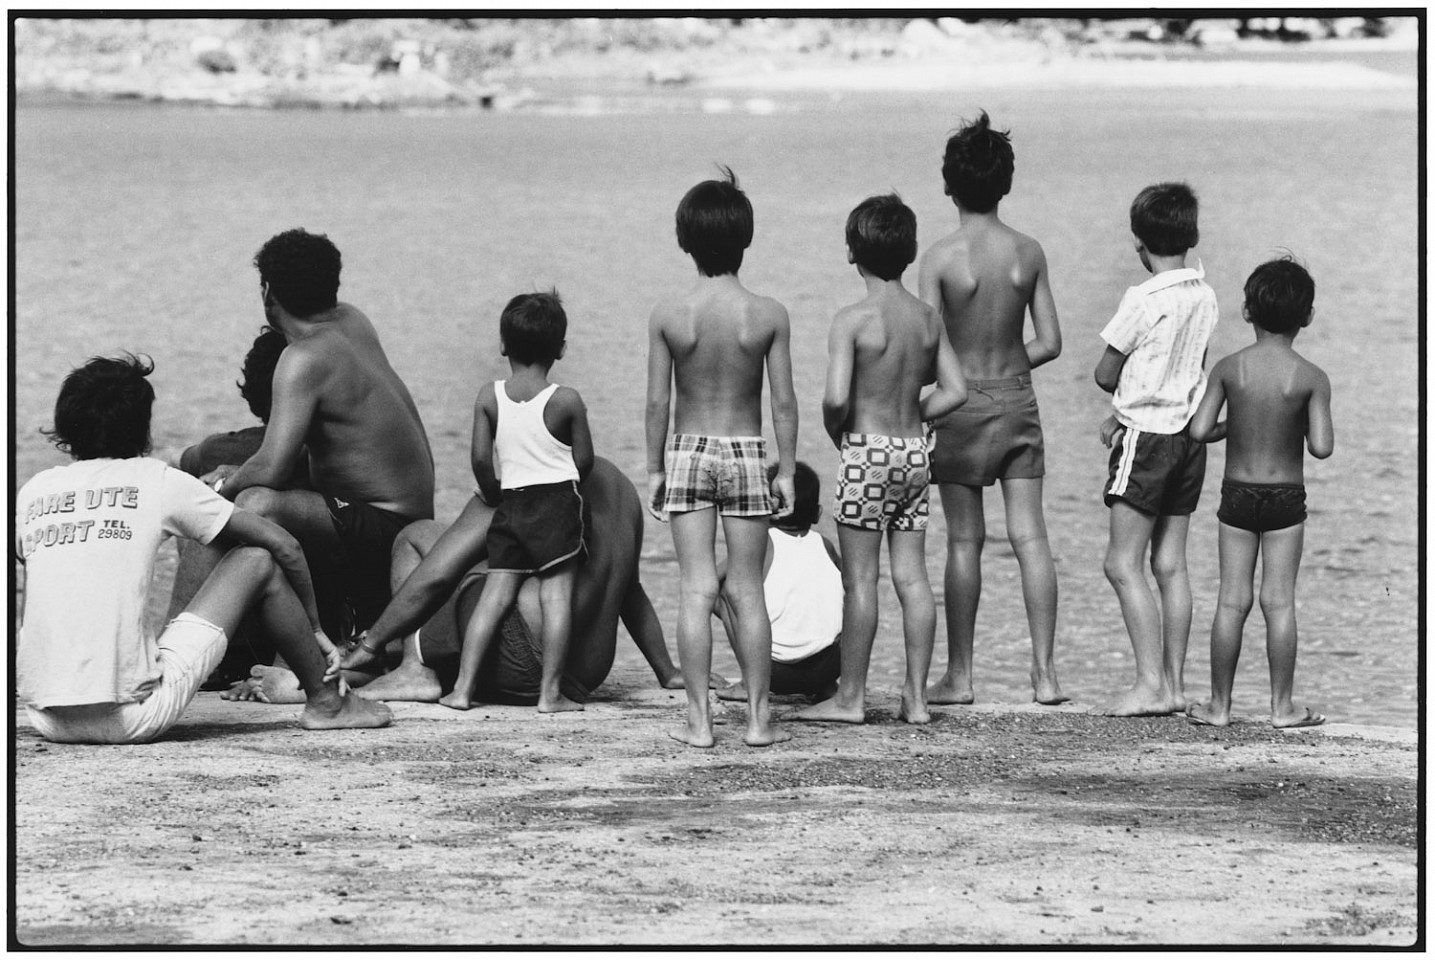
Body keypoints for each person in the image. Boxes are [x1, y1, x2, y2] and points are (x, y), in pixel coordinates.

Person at [15, 354, 391, 744]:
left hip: (46, 715)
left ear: (65, 426)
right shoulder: (156, 480)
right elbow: (285, 545)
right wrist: (315, 628)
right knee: (258, 560)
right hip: (130, 715)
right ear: (142, 428)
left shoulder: (35, 492)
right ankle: (328, 703)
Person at [203, 228, 435, 652]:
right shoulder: (352, 320)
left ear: (268, 291)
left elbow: (271, 467)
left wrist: (218, 488)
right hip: (406, 513)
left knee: (252, 504)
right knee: (250, 490)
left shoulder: (303, 359)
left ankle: (286, 651)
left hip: (384, 524)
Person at [794, 194, 967, 726]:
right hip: (914, 451)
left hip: (866, 453)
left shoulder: (852, 320)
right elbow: (956, 391)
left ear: (852, 252)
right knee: (912, 577)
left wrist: (838, 434)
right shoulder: (926, 318)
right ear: (911, 252)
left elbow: (834, 399)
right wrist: (914, 411)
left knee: (861, 581)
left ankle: (851, 698)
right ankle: (915, 698)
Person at [918, 111, 1067, 708]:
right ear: (1006, 184)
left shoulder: (939, 258)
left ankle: (960, 676)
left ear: (948, 186)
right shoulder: (1027, 252)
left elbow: (928, 350)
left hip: (959, 407)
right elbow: (1051, 342)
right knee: (1031, 538)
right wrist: (1008, 365)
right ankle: (1046, 674)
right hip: (1016, 398)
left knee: (963, 542)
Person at [646, 167, 798, 748]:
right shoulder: (767, 314)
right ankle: (759, 720)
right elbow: (783, 402)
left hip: (688, 449)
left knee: (696, 589)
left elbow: (658, 400)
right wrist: (786, 468)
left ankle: (699, 721)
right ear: (746, 238)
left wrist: (656, 468)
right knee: (748, 591)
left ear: (685, 241)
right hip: (745, 448)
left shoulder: (668, 314)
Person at [337, 457, 691, 704]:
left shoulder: (526, 473)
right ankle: (407, 656)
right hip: (584, 676)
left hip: (522, 659)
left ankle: (415, 666)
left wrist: (373, 643)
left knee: (420, 540)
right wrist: (668, 670)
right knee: (472, 548)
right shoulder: (621, 486)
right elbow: (630, 590)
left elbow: (437, 574)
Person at [1186, 257, 1333, 728]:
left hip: (1237, 496)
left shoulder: (1231, 368)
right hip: (1286, 499)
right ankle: (1282, 708)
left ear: (1247, 311)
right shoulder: (1311, 376)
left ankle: (1219, 707)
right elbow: (1322, 447)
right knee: (1279, 601)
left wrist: (1238, 423)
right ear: (1307, 316)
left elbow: (1200, 429)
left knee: (1231, 601)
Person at [1094, 182, 1219, 717]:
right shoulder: (1206, 295)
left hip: (1146, 438)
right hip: (1188, 439)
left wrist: (1120, 411)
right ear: (1191, 236)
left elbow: (1105, 372)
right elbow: (1187, 368)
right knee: (1170, 564)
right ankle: (1173, 684)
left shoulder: (1142, 298)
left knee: (1121, 564)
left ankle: (1148, 683)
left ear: (1139, 243)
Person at [435, 291, 593, 713]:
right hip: (556, 504)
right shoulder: (566, 400)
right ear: (560, 348)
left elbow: (479, 459)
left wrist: (493, 493)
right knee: (556, 597)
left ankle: (463, 689)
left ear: (504, 344)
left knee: (494, 596)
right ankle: (550, 694)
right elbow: (585, 461)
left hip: (511, 504)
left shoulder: (489, 396)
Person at [168, 325, 290, 688]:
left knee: (200, 504)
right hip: (285, 633)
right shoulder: (324, 461)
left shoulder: (217, 451)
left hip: (221, 635)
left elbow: (178, 464)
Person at [714, 462, 844, 702]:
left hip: (774, 673)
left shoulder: (761, 543)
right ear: (817, 513)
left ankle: (748, 682)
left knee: (725, 592)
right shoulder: (826, 545)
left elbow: (710, 584)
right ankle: (828, 687)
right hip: (829, 667)